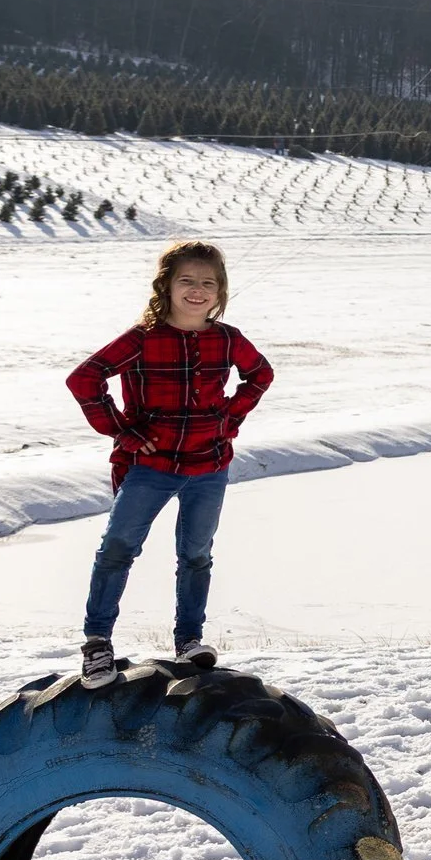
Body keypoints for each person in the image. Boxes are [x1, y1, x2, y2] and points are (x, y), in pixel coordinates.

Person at [65, 240, 273, 687]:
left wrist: (229, 418)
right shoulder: (142, 339)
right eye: (187, 281)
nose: (197, 291)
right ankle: (97, 644)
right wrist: (122, 431)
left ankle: (189, 641)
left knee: (196, 555)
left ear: (219, 292)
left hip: (210, 464)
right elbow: (84, 378)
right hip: (150, 466)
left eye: (208, 283)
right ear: (167, 286)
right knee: (118, 549)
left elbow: (261, 374)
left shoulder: (227, 338)